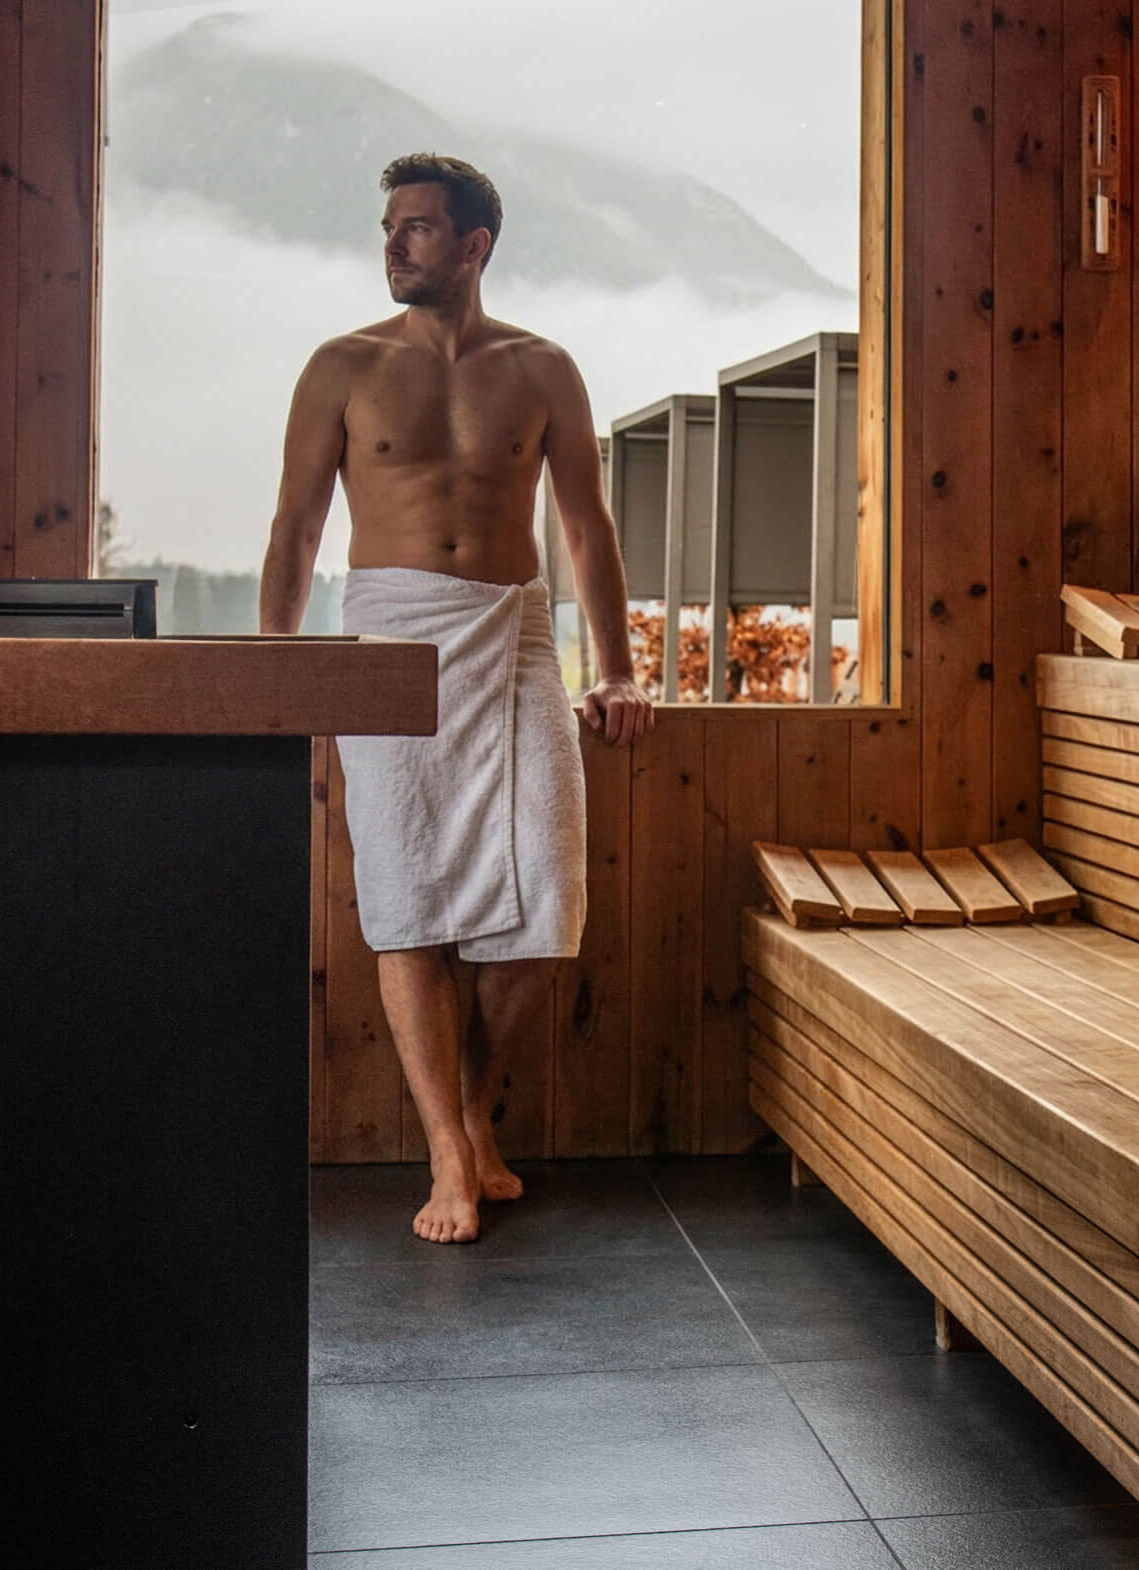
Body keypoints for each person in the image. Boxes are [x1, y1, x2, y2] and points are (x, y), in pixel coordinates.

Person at [259, 153, 653, 1244]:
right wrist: (272, 666)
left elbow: (586, 530)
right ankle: (447, 1147)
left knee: (547, 894)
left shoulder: (542, 370)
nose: (394, 243)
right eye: (389, 225)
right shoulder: (340, 366)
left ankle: (476, 1113)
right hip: (386, 628)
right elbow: (295, 528)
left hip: (512, 630)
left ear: (475, 246)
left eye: (419, 228)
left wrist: (614, 667)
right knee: (405, 893)